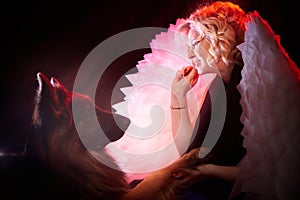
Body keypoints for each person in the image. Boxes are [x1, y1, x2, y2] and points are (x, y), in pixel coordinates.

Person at [169, 1, 248, 199]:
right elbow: (189, 151)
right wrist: (178, 95)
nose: (189, 54)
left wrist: (208, 171)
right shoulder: (219, 86)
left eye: (195, 44)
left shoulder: (251, 84)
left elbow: (266, 170)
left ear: (220, 39)